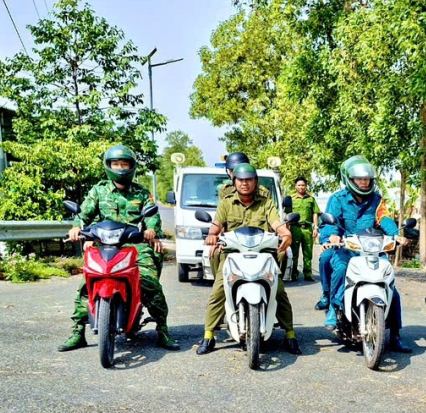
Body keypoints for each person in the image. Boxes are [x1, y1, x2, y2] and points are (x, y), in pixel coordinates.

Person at [58, 145, 179, 352]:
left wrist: (151, 230)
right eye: (116, 164)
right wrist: (77, 226)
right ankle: (78, 332)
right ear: (108, 166)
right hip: (103, 244)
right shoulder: (99, 190)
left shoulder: (141, 192)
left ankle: (163, 330)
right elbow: (84, 213)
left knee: (149, 283)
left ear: (132, 167)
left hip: (135, 246)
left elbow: (151, 215)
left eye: (125, 164)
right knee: (86, 285)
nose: (121, 168)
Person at [196, 163, 302, 356]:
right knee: (219, 290)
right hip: (233, 254)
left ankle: (290, 334)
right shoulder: (226, 202)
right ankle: (209, 335)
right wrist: (212, 236)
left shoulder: (265, 202)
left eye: (249, 180)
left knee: (278, 289)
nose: (245, 184)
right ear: (234, 182)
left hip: (262, 253)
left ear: (255, 182)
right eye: (240, 180)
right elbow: (217, 224)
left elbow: (276, 222)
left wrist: (285, 232)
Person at [319, 155, 412, 353]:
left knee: (390, 287)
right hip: (347, 248)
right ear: (350, 180)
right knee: (341, 268)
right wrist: (333, 236)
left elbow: (384, 218)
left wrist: (395, 235)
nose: (364, 182)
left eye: (367, 179)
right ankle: (335, 308)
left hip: (371, 249)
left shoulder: (377, 200)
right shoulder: (338, 199)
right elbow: (330, 222)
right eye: (359, 179)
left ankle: (395, 335)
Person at [289, 176, 321, 282]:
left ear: (306, 186)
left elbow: (315, 213)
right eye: (299, 185)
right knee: (294, 253)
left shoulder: (311, 199)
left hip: (307, 229)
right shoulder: (291, 199)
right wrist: (287, 230)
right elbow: (287, 215)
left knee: (308, 253)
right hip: (295, 228)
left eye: (303, 185)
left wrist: (315, 227)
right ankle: (293, 273)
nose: (301, 187)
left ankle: (308, 273)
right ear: (295, 186)